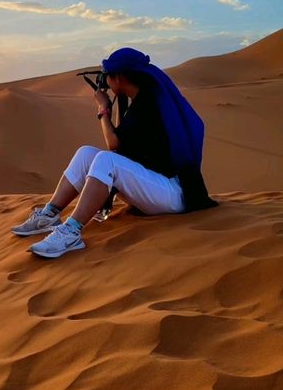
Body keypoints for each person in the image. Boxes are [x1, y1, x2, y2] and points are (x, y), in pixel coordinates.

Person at [11, 47, 218, 258]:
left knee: (106, 160)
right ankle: (50, 214)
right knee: (86, 153)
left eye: (108, 75)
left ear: (119, 77)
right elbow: (125, 143)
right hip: (157, 186)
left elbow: (114, 144)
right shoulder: (144, 99)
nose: (106, 81)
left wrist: (103, 108)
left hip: (174, 194)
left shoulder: (147, 105)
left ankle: (71, 231)